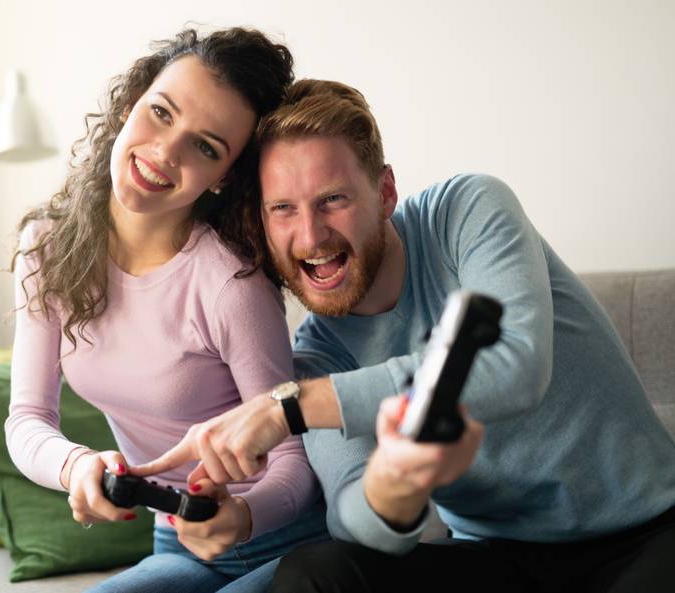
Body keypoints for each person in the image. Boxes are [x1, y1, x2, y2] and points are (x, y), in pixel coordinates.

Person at [133, 79, 675, 592]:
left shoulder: (466, 210)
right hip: (497, 559)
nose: (311, 235)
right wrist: (390, 489)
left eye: (333, 199)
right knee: (314, 572)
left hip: (645, 535)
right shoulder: (317, 357)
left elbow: (517, 367)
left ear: (385, 192)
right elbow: (352, 516)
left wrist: (287, 409)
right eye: (284, 209)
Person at [6, 29, 328, 593]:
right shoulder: (46, 250)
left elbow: (293, 461)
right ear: (130, 105)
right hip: (177, 542)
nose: (164, 152)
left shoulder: (230, 285)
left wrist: (244, 517)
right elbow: (27, 418)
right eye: (161, 112)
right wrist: (76, 466)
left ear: (224, 176)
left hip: (283, 543)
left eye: (205, 147)